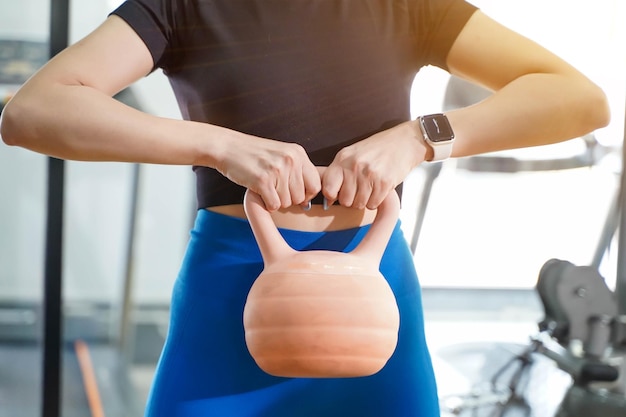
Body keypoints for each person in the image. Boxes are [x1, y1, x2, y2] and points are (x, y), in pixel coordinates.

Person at [0, 1, 610, 416]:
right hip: (232, 293)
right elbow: (33, 112)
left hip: (374, 287)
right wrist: (221, 145)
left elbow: (577, 98)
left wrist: (419, 136)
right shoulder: (183, 3)